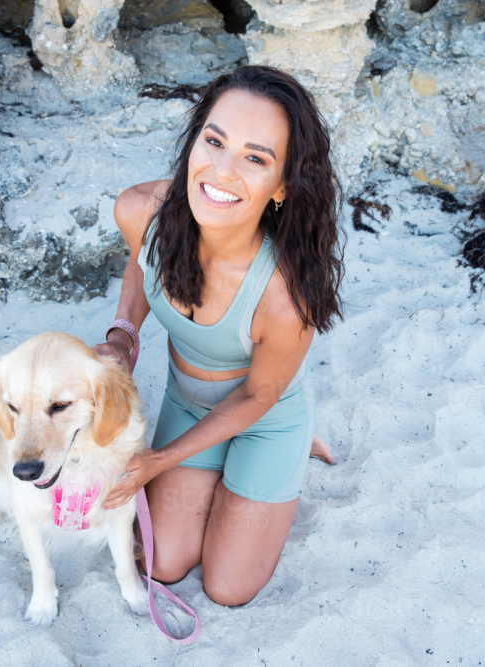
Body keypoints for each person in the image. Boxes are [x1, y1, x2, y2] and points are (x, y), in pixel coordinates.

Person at [93, 65, 344, 607]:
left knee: (227, 588)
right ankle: (212, 466)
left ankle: (298, 443)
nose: (221, 171)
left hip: (265, 416)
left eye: (255, 158)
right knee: (160, 564)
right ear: (194, 141)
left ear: (281, 186)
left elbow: (258, 394)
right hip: (187, 402)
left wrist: (158, 462)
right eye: (215, 140)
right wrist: (122, 336)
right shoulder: (140, 210)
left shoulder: (285, 295)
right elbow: (142, 264)